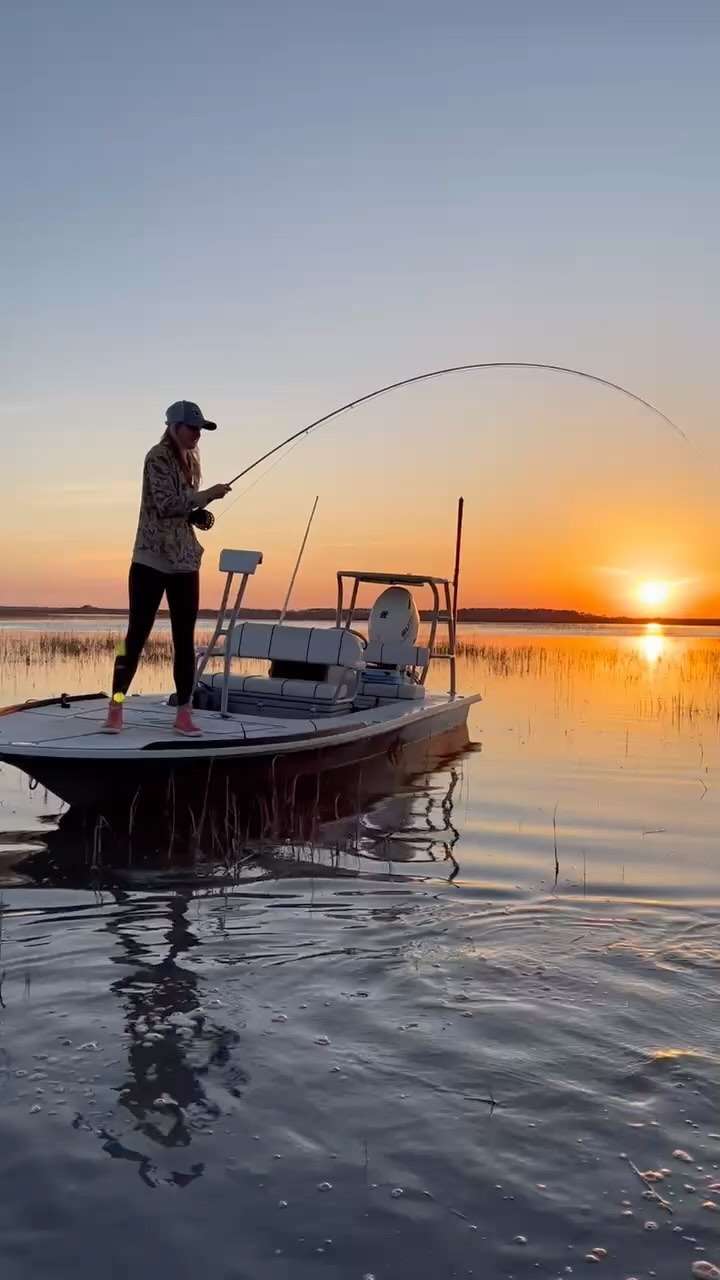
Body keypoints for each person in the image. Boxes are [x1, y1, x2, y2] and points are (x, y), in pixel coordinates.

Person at [103, 401, 231, 735]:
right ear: (174, 427)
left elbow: (180, 509)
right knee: (134, 636)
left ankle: (184, 713)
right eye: (192, 428)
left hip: (184, 561)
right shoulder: (157, 456)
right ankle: (115, 705)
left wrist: (196, 515)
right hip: (150, 559)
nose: (197, 435)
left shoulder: (189, 461)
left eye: (200, 429)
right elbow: (165, 504)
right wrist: (207, 496)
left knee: (184, 639)